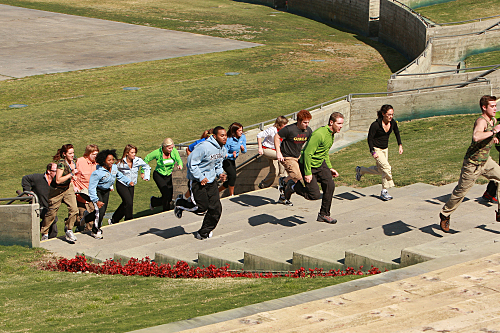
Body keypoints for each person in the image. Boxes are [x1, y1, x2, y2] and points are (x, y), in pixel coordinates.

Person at [439, 95, 500, 232]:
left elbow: (488, 135)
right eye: (492, 106)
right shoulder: (481, 121)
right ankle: (445, 214)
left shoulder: (493, 120)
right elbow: (476, 136)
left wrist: (493, 138)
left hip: (486, 162)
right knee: (461, 192)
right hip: (472, 165)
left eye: (495, 106)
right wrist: (494, 131)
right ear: (484, 108)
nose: (495, 108)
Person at [283, 112, 344, 224]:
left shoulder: (331, 134)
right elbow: (306, 153)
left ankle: (324, 214)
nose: (341, 126)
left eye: (342, 124)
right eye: (339, 123)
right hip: (308, 164)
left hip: (320, 164)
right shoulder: (319, 134)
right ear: (331, 122)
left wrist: (330, 168)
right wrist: (307, 173)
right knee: (314, 195)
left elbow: (324, 152)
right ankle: (292, 186)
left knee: (330, 186)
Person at [174, 126, 227, 240]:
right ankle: (180, 203)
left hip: (211, 181)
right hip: (198, 182)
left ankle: (203, 233)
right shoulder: (204, 147)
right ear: (214, 136)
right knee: (201, 208)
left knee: (216, 208)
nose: (225, 138)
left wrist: (220, 173)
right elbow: (191, 163)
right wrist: (200, 177)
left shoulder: (222, 149)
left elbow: (218, 164)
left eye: (225, 135)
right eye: (221, 135)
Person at [355, 105, 403, 201]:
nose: (391, 117)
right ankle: (385, 191)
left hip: (385, 149)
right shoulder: (375, 125)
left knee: (380, 170)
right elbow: (370, 139)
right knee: (387, 167)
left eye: (392, 114)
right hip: (377, 149)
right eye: (389, 114)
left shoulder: (392, 123)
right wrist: (372, 151)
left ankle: (361, 170)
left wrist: (400, 145)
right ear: (383, 114)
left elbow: (397, 132)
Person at [87, 149, 133, 239]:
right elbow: (91, 188)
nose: (112, 162)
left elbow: (119, 175)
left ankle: (86, 218)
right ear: (103, 161)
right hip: (98, 191)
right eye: (109, 160)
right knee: (100, 211)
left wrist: (128, 181)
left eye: (112, 159)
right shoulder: (97, 173)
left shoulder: (114, 168)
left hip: (106, 191)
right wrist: (96, 200)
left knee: (102, 212)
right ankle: (95, 230)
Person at [41, 144, 79, 243]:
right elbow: (58, 180)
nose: (72, 155)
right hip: (57, 190)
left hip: (67, 188)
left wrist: (73, 179)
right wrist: (71, 174)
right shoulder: (61, 163)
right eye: (70, 153)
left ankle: (69, 229)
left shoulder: (73, 160)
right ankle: (44, 233)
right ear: (64, 154)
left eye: (73, 152)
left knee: (74, 209)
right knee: (52, 213)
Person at [275, 109, 313, 206]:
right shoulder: (289, 129)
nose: (306, 124)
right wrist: (278, 152)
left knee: (295, 179)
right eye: (304, 122)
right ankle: (285, 183)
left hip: (298, 155)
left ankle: (284, 189)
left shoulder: (308, 131)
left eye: (308, 122)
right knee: (298, 176)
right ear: (299, 121)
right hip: (287, 156)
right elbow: (276, 136)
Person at [109, 144, 151, 224]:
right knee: (129, 202)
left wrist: (146, 176)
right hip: (122, 184)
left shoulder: (138, 160)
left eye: (135, 152)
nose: (134, 154)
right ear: (127, 153)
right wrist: (111, 185)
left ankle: (114, 219)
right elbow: (113, 172)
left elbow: (146, 166)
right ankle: (129, 220)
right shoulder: (120, 163)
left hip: (131, 185)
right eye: (132, 152)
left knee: (127, 203)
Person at [144, 138, 183, 212]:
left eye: (172, 147)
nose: (171, 149)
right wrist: (144, 172)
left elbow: (179, 159)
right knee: (166, 193)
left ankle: (154, 201)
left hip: (168, 176)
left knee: (169, 197)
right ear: (164, 147)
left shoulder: (174, 151)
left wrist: (180, 165)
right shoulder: (158, 152)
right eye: (169, 148)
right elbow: (146, 159)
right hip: (158, 175)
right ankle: (166, 212)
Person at [21, 163, 59, 239]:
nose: (57, 173)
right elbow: (25, 178)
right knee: (52, 218)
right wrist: (28, 191)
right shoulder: (38, 178)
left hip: (49, 207)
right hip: (39, 206)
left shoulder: (56, 182)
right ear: (49, 171)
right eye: (55, 171)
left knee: (54, 229)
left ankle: (48, 241)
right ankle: (39, 230)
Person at [257, 116, 289, 189]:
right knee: (282, 157)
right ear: (279, 124)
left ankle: (263, 184)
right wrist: (260, 148)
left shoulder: (283, 131)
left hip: (276, 150)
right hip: (267, 149)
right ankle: (284, 180)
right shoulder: (272, 130)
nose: (286, 126)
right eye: (284, 124)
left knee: (274, 171)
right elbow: (259, 135)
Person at [74, 144, 99, 232]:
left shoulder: (98, 163)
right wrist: (75, 186)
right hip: (81, 194)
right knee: (81, 216)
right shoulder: (80, 161)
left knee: (93, 215)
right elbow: (73, 175)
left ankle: (88, 231)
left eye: (97, 154)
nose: (95, 156)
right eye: (93, 154)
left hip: (92, 194)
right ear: (88, 154)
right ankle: (74, 224)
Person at [219, 122, 246, 196]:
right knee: (232, 176)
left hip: (233, 159)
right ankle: (231, 194)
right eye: (239, 131)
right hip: (225, 160)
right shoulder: (229, 139)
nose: (241, 132)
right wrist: (232, 155)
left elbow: (245, 151)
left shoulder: (242, 137)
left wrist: (242, 149)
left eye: (242, 130)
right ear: (234, 131)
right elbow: (224, 154)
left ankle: (217, 191)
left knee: (232, 178)